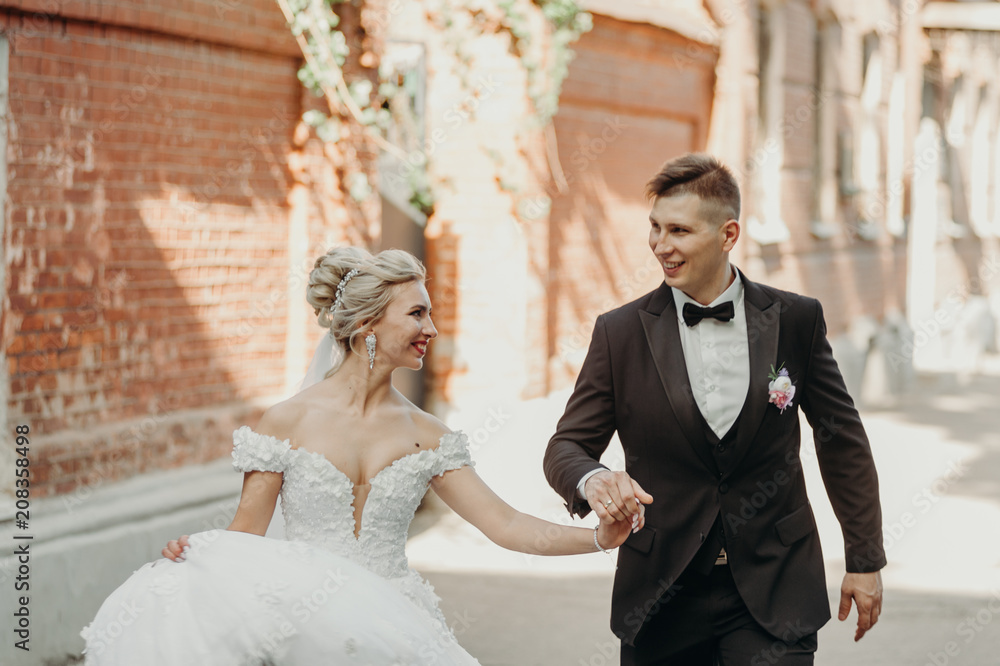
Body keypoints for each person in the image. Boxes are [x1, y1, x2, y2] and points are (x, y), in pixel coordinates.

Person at [81, 247, 648, 665]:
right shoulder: (286, 421)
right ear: (367, 324)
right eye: (416, 314)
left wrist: (599, 538)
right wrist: (202, 554)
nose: (431, 328)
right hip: (300, 625)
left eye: (430, 313)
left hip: (392, 625)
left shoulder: (429, 434)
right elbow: (246, 536)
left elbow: (504, 524)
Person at [543, 153, 886, 664]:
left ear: (728, 235)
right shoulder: (620, 333)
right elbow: (565, 446)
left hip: (776, 587)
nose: (661, 246)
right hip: (661, 593)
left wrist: (864, 558)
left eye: (678, 230)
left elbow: (841, 439)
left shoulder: (795, 319)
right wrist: (592, 480)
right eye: (655, 228)